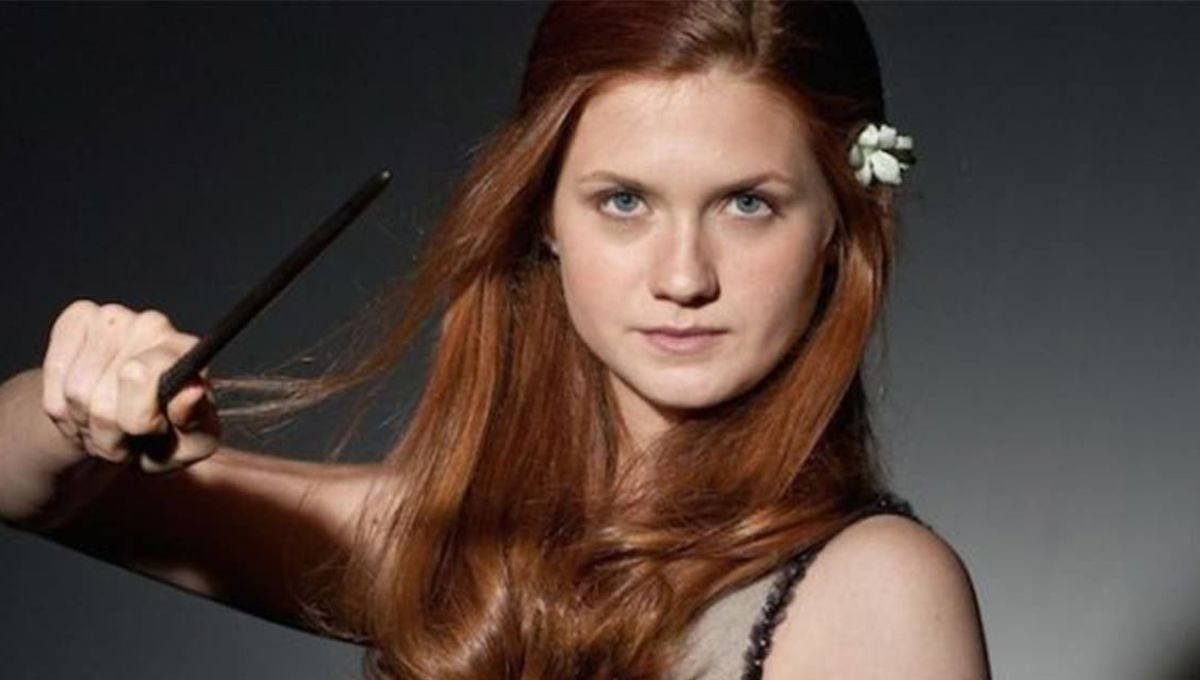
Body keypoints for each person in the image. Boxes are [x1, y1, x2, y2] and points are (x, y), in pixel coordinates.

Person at [0, 1, 990, 677]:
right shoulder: (464, 548)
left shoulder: (877, 592)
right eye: (624, 201)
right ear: (544, 216)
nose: (683, 276)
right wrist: (83, 393)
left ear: (839, 225)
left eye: (747, 203)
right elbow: (25, 484)